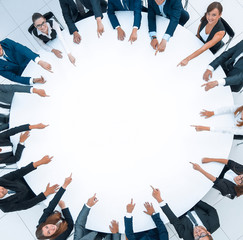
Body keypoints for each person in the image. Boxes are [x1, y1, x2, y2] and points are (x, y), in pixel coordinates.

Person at [151, 186, 219, 240]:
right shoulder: (215, 223)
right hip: (192, 203)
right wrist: (188, 196)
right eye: (202, 234)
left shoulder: (187, 237)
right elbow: (210, 210)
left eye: (197, 238)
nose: (198, 233)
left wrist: (159, 199)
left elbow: (174, 220)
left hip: (177, 210)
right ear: (208, 233)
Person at [178, 2, 225, 66]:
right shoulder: (206, 18)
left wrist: (187, 59)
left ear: (219, 15)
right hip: (199, 41)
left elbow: (204, 48)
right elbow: (199, 28)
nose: (210, 17)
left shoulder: (220, 33)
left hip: (208, 50)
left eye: (214, 15)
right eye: (208, 14)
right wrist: (197, 37)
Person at [36, 174, 73, 240]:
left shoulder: (42, 221)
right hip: (67, 219)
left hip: (58, 214)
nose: (51, 228)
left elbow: (51, 205)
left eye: (47, 227)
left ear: (44, 225)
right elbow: (70, 225)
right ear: (50, 236)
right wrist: (64, 208)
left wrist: (64, 186)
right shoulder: (59, 238)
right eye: (49, 232)